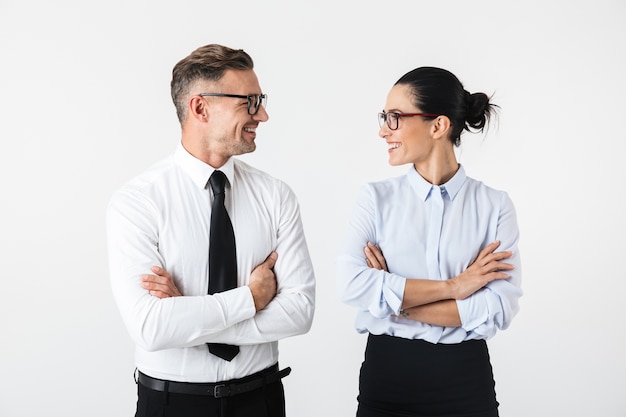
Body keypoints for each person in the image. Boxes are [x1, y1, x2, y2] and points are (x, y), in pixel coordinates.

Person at [106, 44, 316, 417]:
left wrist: (187, 316)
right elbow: (151, 328)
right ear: (200, 107)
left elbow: (299, 312)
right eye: (249, 102)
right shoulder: (138, 202)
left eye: (261, 100)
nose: (262, 115)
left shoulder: (276, 196)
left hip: (261, 400)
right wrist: (251, 299)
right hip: (172, 405)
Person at [336, 66, 523, 417]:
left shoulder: (494, 206)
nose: (382, 131)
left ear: (438, 126)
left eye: (394, 118)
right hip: (386, 378)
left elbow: (497, 308)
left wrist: (394, 299)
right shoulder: (374, 199)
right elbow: (351, 285)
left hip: (465, 381)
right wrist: (457, 286)